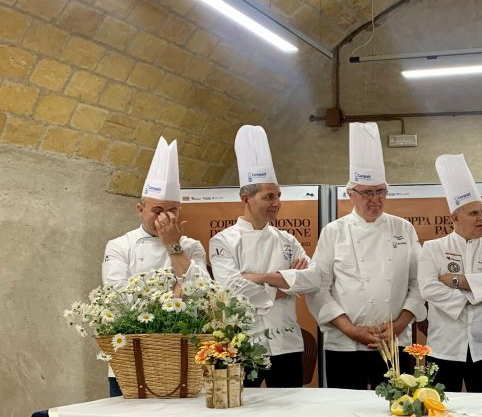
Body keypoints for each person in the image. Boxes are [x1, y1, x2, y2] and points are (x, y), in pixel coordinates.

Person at [258, 123, 425, 390]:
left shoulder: (403, 228)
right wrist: (349, 328)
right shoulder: (334, 231)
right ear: (350, 194)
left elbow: (418, 283)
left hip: (394, 341)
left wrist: (400, 323)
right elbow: (319, 287)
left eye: (381, 191)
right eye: (367, 193)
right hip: (345, 344)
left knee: (398, 412)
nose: (375, 200)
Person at [102, 136, 208, 396]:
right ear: (140, 209)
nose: (165, 218)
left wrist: (173, 245)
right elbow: (118, 299)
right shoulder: (119, 246)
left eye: (173, 210)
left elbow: (202, 294)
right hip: (129, 355)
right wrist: (173, 290)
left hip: (182, 354)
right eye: (157, 210)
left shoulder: (191, 247)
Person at [207, 126, 310, 388]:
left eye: (278, 196)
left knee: (290, 415)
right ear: (246, 198)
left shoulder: (287, 239)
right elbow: (231, 288)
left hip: (287, 343)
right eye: (269, 196)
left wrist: (261, 277)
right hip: (244, 345)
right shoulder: (222, 241)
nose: (277, 202)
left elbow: (311, 279)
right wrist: (283, 284)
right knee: (243, 413)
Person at [418, 154, 482, 393]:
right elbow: (428, 288)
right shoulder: (433, 248)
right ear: (455, 217)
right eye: (473, 213)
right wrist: (478, 294)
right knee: (438, 414)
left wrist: (458, 281)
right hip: (443, 349)